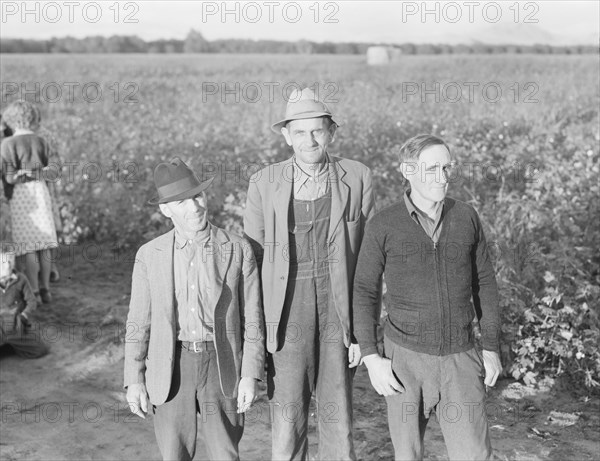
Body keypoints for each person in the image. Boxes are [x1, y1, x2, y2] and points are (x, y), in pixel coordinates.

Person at [243, 87, 376, 460]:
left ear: (331, 131)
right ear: (286, 135)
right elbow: (252, 262)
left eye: (317, 130)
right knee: (287, 411)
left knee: (339, 412)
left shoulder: (358, 177)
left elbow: (365, 263)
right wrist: (255, 330)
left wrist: (363, 335)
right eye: (299, 132)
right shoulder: (263, 182)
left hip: (338, 305)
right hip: (285, 309)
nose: (309, 140)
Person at [353, 134, 502, 461]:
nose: (443, 176)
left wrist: (490, 348)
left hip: (460, 359)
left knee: (475, 455)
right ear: (407, 170)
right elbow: (364, 289)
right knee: (408, 455)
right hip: (405, 361)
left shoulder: (466, 217)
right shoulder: (383, 225)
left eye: (447, 167)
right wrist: (371, 357)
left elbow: (485, 283)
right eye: (432, 168)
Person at [124, 157, 265, 461]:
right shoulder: (149, 255)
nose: (195, 208)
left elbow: (252, 319)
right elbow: (138, 322)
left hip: (222, 363)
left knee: (226, 453)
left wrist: (251, 374)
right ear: (165, 210)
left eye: (197, 196)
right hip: (171, 365)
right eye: (181, 202)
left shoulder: (238, 248)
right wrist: (134, 379)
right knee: (175, 454)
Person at [0, 101, 58, 305]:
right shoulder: (41, 141)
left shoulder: (7, 144)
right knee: (45, 246)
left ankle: (33, 289)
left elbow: (9, 178)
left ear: (10, 121)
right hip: (41, 193)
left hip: (21, 197)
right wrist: (37, 173)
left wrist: (20, 175)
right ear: (33, 119)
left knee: (29, 248)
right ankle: (46, 289)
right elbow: (54, 170)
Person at [0, 248, 48, 358]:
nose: (7, 266)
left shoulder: (21, 279)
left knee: (40, 350)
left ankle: (12, 346)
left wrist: (23, 316)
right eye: (3, 263)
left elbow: (32, 302)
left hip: (17, 325)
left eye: (10, 261)